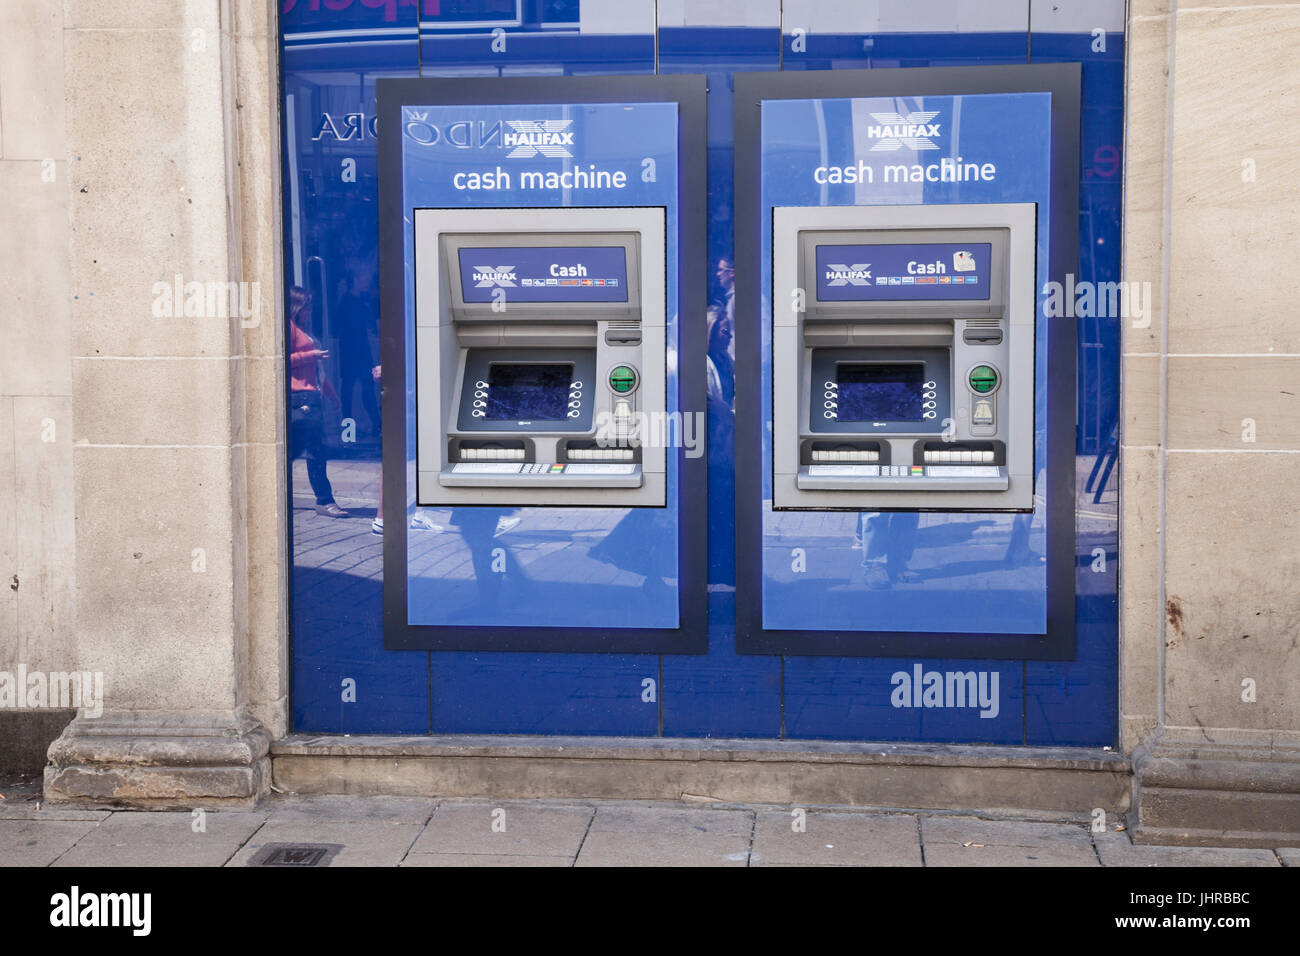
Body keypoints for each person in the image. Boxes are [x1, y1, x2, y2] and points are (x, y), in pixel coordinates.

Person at [288, 286, 349, 517]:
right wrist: (310, 355)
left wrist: (332, 395)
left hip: (311, 397)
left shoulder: (304, 330)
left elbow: (318, 372)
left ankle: (323, 500)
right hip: (300, 399)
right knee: (313, 452)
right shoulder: (290, 328)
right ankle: (324, 500)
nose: (311, 311)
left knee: (304, 451)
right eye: (307, 306)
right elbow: (282, 358)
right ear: (296, 306)